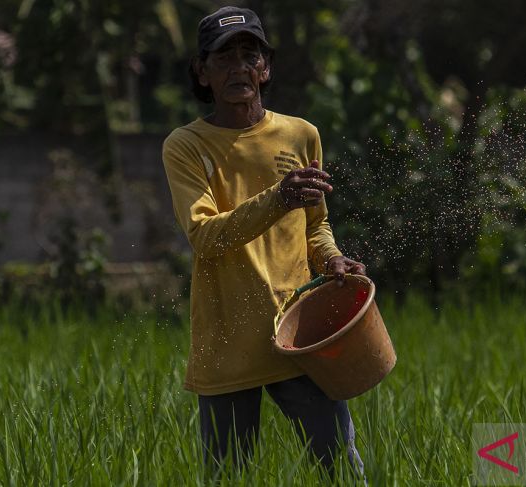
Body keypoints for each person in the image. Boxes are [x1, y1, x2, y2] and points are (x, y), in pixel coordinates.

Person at [161, 5, 367, 478]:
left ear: (266, 67)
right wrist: (278, 198)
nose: (239, 68)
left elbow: (315, 226)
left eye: (250, 55)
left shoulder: (300, 135)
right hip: (226, 344)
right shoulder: (186, 145)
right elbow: (205, 236)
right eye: (223, 57)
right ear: (202, 71)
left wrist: (333, 261)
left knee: (342, 469)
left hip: (299, 337)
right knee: (228, 475)